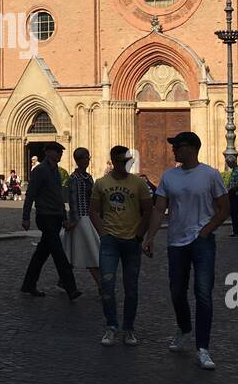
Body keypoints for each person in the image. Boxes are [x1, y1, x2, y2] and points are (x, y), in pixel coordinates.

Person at [143, 132, 228, 370]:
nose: (173, 151)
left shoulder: (210, 175)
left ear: (191, 148)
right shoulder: (169, 176)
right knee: (176, 292)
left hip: (202, 241)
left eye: (177, 147)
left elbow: (224, 208)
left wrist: (206, 230)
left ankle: (203, 347)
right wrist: (150, 237)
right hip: (176, 241)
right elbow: (159, 209)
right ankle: (184, 327)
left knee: (203, 294)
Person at [89, 145, 154, 347]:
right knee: (107, 286)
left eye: (124, 161)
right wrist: (103, 233)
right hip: (110, 241)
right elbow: (93, 211)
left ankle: (129, 328)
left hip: (131, 242)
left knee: (131, 288)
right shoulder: (101, 183)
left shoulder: (139, 183)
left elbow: (148, 211)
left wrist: (140, 236)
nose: (121, 165)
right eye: (117, 161)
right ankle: (111, 326)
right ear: (112, 161)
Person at [20, 142, 80, 299]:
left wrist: (64, 218)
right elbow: (31, 194)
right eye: (57, 151)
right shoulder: (40, 171)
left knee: (41, 254)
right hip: (45, 216)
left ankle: (28, 285)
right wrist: (26, 217)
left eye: (61, 152)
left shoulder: (56, 172)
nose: (60, 154)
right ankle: (71, 288)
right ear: (48, 152)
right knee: (59, 254)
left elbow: (58, 197)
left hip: (55, 216)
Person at [63, 147, 101, 293]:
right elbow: (73, 201)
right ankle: (101, 285)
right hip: (80, 220)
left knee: (74, 252)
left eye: (88, 157)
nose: (88, 160)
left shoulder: (89, 177)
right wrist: (73, 220)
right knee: (90, 252)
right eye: (86, 157)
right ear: (78, 160)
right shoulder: (74, 178)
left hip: (90, 218)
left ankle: (63, 281)